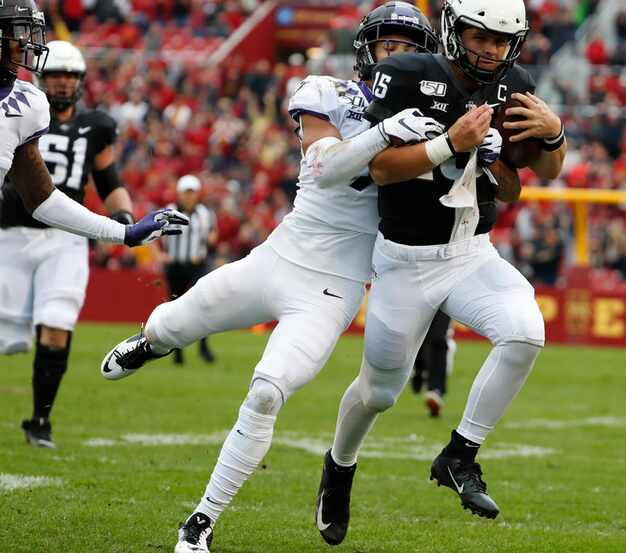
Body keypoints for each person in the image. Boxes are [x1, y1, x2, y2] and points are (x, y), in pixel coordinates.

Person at [98, 4, 446, 552]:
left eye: (411, 50)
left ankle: (202, 520)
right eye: (390, 47)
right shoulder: (329, 92)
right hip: (278, 258)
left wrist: (473, 149)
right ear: (366, 51)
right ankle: (151, 343)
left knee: (266, 391)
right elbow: (328, 166)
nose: (399, 59)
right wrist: (383, 134)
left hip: (334, 288)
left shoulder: (435, 118)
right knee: (171, 323)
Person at [315, 0, 567, 544]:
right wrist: (449, 144)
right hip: (405, 261)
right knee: (380, 392)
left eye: (501, 42)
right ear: (455, 29)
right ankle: (339, 465)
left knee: (525, 332)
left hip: (471, 252)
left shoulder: (512, 85)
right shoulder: (405, 75)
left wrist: (553, 134)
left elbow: (528, 179)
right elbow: (380, 169)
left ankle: (460, 454)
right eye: (480, 36)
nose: (490, 50)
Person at [0, 5, 186, 448]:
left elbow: (42, 196)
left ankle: (40, 420)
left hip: (59, 239)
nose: (28, 45)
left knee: (56, 323)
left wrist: (122, 230)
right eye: (17, 34)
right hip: (9, 234)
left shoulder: (25, 105)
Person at [157, 175, 218, 365]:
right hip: (175, 266)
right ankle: (177, 352)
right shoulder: (168, 212)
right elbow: (151, 233)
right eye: (186, 192)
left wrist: (206, 247)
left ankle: (204, 347)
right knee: (175, 309)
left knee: (203, 304)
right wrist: (159, 255)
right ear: (179, 193)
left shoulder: (205, 213)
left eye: (192, 192)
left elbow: (213, 233)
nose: (189, 197)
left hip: (196, 266)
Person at [411, 311, 455, 417]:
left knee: (438, 337)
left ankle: (435, 390)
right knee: (419, 334)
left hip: (443, 297)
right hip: (415, 296)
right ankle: (419, 370)